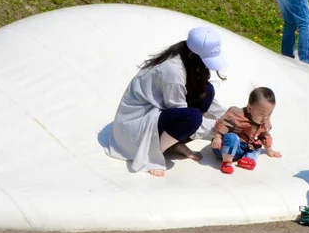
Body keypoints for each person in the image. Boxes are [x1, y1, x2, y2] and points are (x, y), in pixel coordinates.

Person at [105, 27, 227, 177]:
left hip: (158, 112)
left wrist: (230, 117)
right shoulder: (173, 71)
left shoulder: (185, 58)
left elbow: (204, 99)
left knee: (207, 91)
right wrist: (220, 128)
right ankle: (152, 155)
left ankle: (173, 144)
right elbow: (182, 113)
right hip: (135, 126)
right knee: (192, 118)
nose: (207, 67)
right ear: (192, 55)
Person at [211, 87, 282, 174]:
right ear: (249, 108)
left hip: (244, 148)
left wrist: (269, 149)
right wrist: (217, 137)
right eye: (262, 114)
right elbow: (223, 123)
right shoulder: (237, 115)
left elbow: (265, 135)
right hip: (225, 148)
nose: (265, 117)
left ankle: (248, 159)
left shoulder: (264, 123)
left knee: (257, 145)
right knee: (232, 137)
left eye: (269, 114)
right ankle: (227, 163)